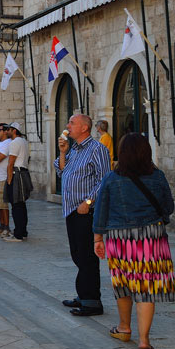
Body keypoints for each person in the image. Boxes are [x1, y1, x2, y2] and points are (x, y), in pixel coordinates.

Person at [93, 133, 175, 349]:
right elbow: (168, 207)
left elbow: (101, 209)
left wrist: (98, 238)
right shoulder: (157, 176)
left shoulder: (111, 178)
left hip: (120, 238)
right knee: (146, 288)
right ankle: (144, 341)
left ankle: (124, 327)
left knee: (123, 283)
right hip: (151, 237)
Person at [55, 113, 112, 317]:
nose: (68, 126)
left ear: (84, 128)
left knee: (87, 256)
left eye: (72, 123)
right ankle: (83, 293)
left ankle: (92, 301)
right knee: (77, 253)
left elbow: (105, 180)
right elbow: (62, 172)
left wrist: (88, 202)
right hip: (71, 210)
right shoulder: (74, 150)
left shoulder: (97, 149)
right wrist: (62, 152)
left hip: (86, 211)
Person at [4, 122, 31, 242]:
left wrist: (9, 180)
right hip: (23, 173)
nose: (6, 132)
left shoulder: (15, 142)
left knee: (16, 205)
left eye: (8, 129)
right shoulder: (24, 141)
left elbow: (11, 163)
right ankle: (23, 231)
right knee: (21, 204)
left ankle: (18, 234)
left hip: (17, 174)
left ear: (14, 130)